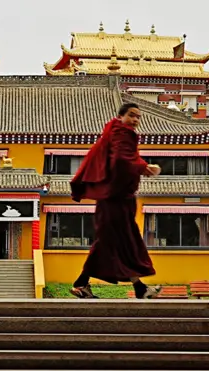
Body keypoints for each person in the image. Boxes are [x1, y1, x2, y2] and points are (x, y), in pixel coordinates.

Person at [69, 102, 161, 299]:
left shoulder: (111, 132)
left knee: (117, 241)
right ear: (121, 116)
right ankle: (81, 284)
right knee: (119, 240)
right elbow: (121, 159)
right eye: (132, 115)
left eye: (138, 117)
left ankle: (138, 288)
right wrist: (144, 167)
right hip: (117, 197)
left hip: (110, 197)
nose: (135, 120)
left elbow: (119, 159)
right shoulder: (123, 133)